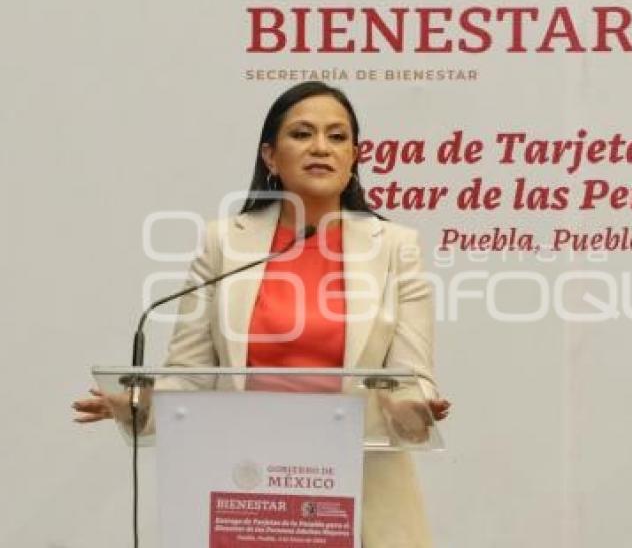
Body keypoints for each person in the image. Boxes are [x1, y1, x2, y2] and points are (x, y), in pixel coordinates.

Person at [73, 81, 449, 548]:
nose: (321, 147)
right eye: (302, 134)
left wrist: (413, 407)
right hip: (246, 486)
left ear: (354, 156)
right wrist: (139, 405)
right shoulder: (225, 244)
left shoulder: (394, 247)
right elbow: (189, 374)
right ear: (270, 156)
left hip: (359, 485)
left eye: (337, 137)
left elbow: (410, 374)